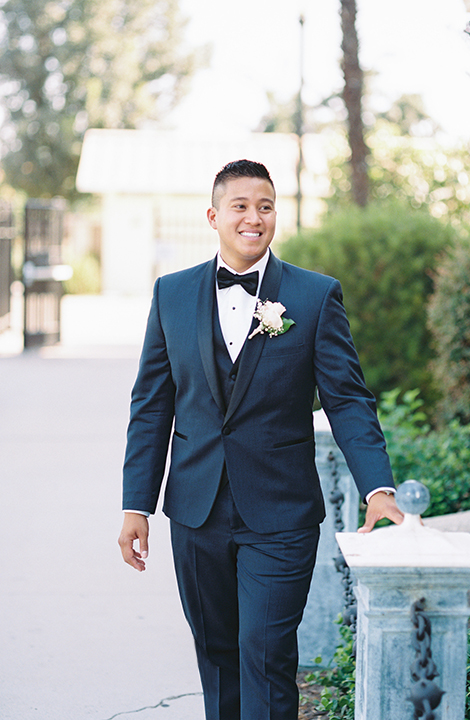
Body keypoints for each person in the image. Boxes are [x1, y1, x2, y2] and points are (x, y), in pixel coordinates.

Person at [118, 159, 403, 720]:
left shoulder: (315, 297)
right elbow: (151, 405)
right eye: (241, 206)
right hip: (196, 512)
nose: (254, 217)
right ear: (214, 216)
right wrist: (136, 504)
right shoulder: (171, 294)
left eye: (265, 206)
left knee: (267, 654)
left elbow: (347, 399)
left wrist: (378, 488)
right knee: (218, 657)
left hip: (281, 513)